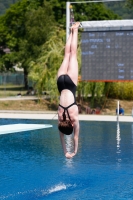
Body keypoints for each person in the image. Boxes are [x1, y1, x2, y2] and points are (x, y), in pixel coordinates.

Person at [57, 22, 80, 159]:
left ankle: (75, 30)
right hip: (61, 83)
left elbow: (75, 137)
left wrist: (74, 151)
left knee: (73, 54)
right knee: (66, 54)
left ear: (71, 124)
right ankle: (71, 31)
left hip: (70, 83)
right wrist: (65, 152)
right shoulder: (60, 119)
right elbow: (61, 137)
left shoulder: (74, 118)